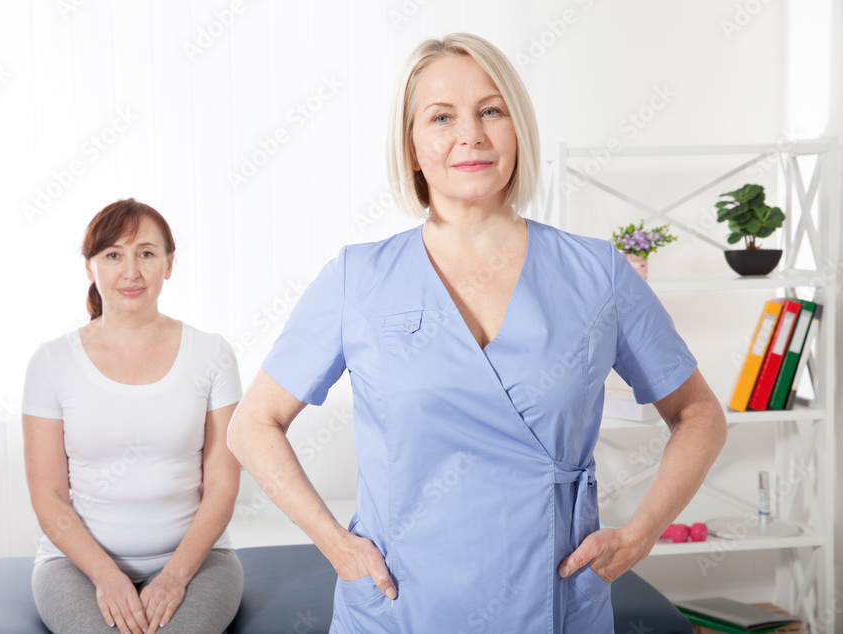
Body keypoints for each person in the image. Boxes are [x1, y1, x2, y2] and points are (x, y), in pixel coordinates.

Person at [227, 33, 726, 633]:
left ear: (518, 129)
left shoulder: (599, 274)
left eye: (492, 110)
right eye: (442, 117)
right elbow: (252, 425)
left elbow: (698, 413)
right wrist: (338, 545)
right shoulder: (358, 279)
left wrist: (641, 534)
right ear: (411, 146)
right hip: (398, 607)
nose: (472, 134)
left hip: (556, 601)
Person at [22, 199, 244, 634]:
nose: (131, 272)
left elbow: (222, 485)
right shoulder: (50, 362)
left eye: (146, 253)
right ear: (90, 267)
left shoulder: (212, 354)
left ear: (169, 263)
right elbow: (48, 497)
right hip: (77, 566)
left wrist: (176, 577)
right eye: (113, 255)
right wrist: (107, 578)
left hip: (199, 562)